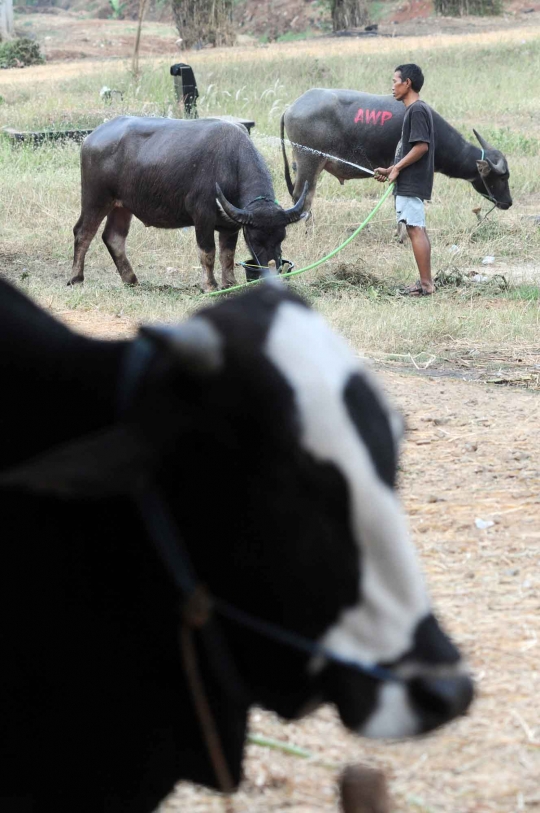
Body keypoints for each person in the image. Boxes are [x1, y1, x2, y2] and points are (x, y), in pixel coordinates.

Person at [374, 63, 435, 296]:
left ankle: (427, 285)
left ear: (407, 83)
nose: (392, 87)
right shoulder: (414, 110)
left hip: (412, 180)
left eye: (395, 81)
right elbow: (412, 148)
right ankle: (425, 281)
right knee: (415, 228)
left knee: (415, 228)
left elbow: (421, 147)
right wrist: (392, 168)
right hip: (408, 178)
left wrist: (398, 168)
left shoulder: (417, 110)